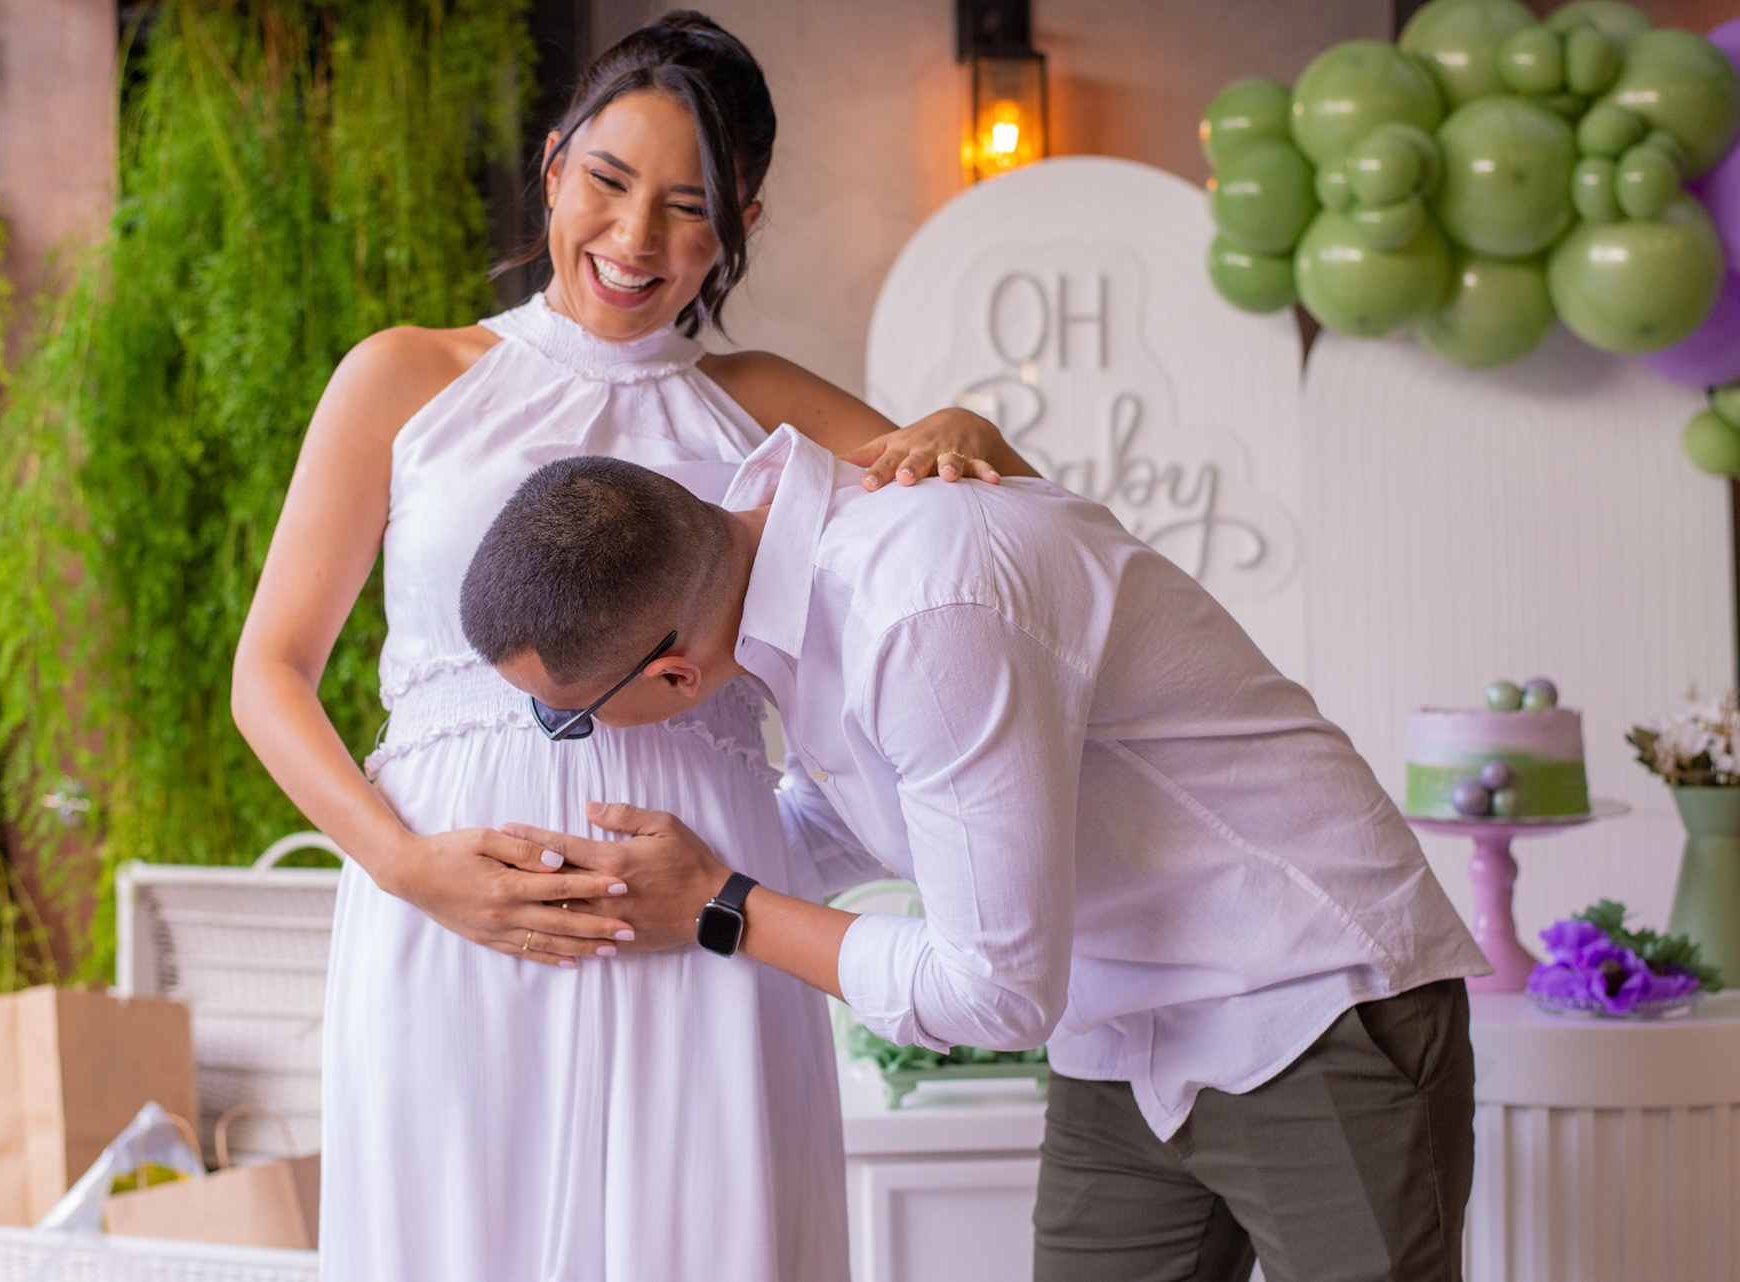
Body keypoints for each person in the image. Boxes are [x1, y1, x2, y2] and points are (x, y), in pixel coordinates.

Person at [230, 14, 1030, 1279]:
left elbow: (998, 547)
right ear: (554, 167)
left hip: (702, 925)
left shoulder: (765, 407)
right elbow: (268, 671)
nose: (636, 236)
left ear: (740, 226)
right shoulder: (407, 377)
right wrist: (405, 865)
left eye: (687, 207)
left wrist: (970, 429)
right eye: (607, 181)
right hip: (453, 921)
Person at [463, 427, 1497, 1282]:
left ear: (676, 676)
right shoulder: (782, 586)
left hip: (1308, 999)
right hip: (1121, 1033)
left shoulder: (921, 608)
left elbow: (994, 990)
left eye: (567, 716)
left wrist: (723, 906)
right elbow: (877, 815)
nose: (569, 733)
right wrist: (642, 891)